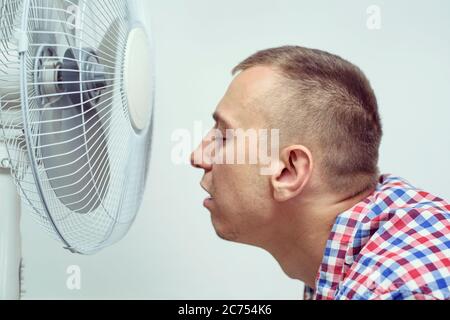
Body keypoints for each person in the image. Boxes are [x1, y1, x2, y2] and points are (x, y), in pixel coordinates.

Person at [190, 46, 450, 300]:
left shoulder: (389, 290)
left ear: (289, 171)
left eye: (224, 137)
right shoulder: (352, 256)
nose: (198, 157)